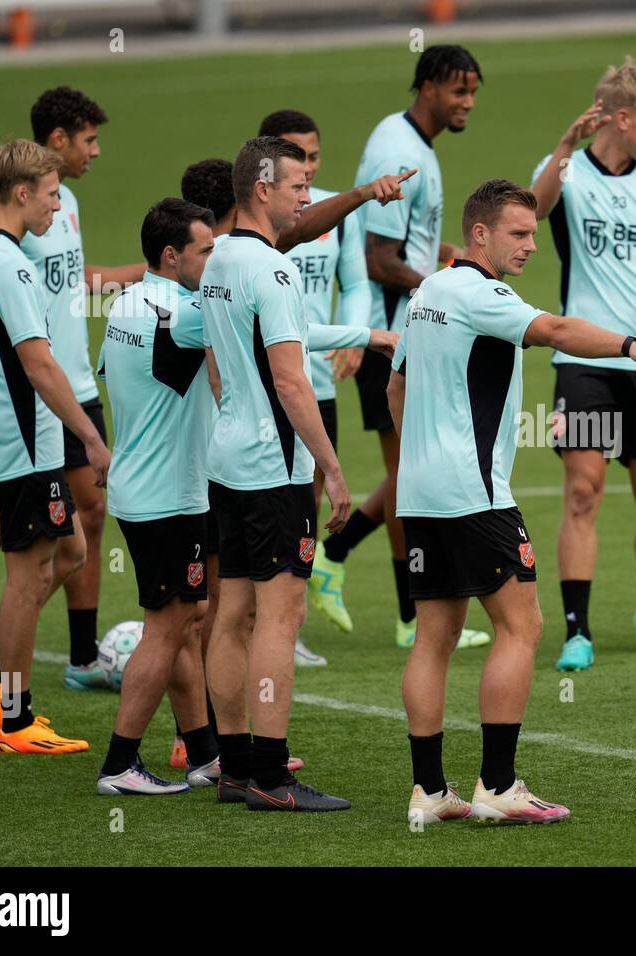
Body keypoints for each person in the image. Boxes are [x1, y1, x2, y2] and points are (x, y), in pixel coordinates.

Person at [388, 179, 636, 824]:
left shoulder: (426, 292)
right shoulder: (484, 293)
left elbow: (397, 387)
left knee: (434, 637)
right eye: (518, 233)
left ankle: (431, 791)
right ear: (480, 234)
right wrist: (632, 346)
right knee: (521, 627)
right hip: (477, 494)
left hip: (422, 494)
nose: (530, 245)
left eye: (534, 233)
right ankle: (497, 786)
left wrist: (424, 456)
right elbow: (556, 329)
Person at [200, 136, 400, 811]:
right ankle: (272, 777)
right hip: (273, 468)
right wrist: (334, 469)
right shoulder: (276, 270)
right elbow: (291, 381)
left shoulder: (220, 258)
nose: (306, 197)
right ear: (262, 189)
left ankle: (231, 768)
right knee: (279, 617)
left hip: (226, 459)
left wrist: (364, 336)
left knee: (230, 613)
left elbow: (240, 353)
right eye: (296, 186)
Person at [0, 87, 142, 696]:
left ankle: (33, 665)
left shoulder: (49, 213)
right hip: (32, 419)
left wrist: (152, 273)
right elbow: (19, 355)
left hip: (59, 400)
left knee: (73, 540)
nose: (96, 152)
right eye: (89, 139)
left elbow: (75, 283)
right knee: (11, 543)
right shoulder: (1, 252)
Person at [314, 45, 492, 652]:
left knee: (411, 471)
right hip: (395, 339)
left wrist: (452, 258)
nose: (466, 101)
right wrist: (451, 285)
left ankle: (335, 556)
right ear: (426, 86)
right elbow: (379, 259)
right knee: (410, 477)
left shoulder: (415, 144)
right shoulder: (398, 147)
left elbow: (405, 246)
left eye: (473, 91)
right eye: (457, 90)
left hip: (407, 332)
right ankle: (413, 616)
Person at [529, 57, 636, 672]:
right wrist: (562, 146)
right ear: (622, 118)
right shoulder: (568, 170)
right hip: (586, 358)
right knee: (582, 492)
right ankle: (577, 630)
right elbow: (534, 210)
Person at [0, 139, 112, 752]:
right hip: (27, 447)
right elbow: (40, 363)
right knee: (28, 574)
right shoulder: (11, 266)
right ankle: (15, 720)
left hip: (0, 440)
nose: (55, 207)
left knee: (69, 549)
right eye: (49, 195)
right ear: (22, 194)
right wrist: (92, 438)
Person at [95, 198, 220, 794]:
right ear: (172, 256)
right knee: (167, 628)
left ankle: (204, 755)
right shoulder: (181, 314)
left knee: (186, 621)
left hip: (141, 487)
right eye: (206, 251)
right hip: (168, 496)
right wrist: (368, 335)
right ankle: (120, 763)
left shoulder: (126, 303)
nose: (214, 260)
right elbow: (270, 326)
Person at [260, 108, 372, 666]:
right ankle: (262, 617)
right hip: (269, 386)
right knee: (270, 498)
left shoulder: (334, 213)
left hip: (317, 382)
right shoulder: (261, 220)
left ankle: (286, 621)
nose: (306, 167)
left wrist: (353, 337)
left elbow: (354, 284)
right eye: (294, 156)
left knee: (304, 495)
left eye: (313, 156)